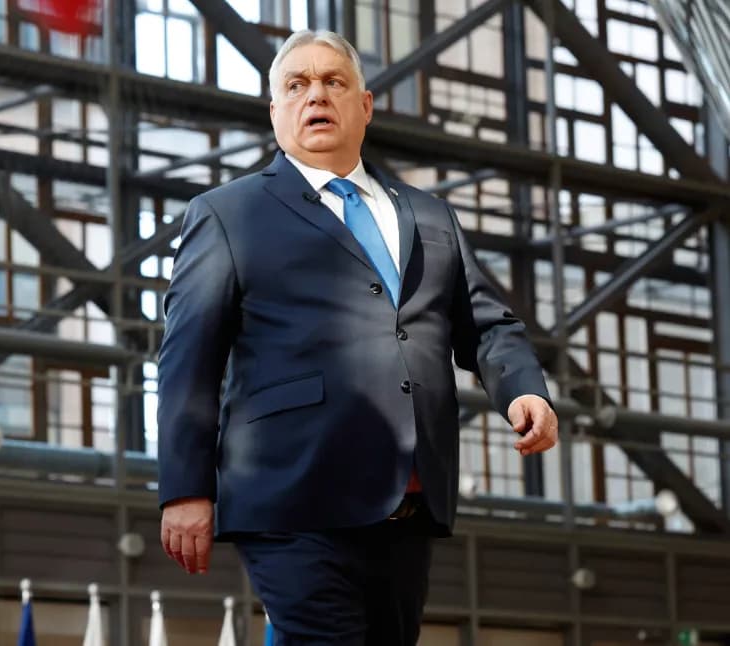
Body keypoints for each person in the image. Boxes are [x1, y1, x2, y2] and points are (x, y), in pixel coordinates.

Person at [157, 29, 558, 646]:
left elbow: (486, 322)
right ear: (275, 111)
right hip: (292, 498)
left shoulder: (431, 215)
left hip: (408, 502)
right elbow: (189, 359)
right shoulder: (227, 214)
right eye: (297, 85)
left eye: (333, 82)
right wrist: (186, 489)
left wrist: (523, 389)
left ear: (365, 106)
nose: (316, 94)